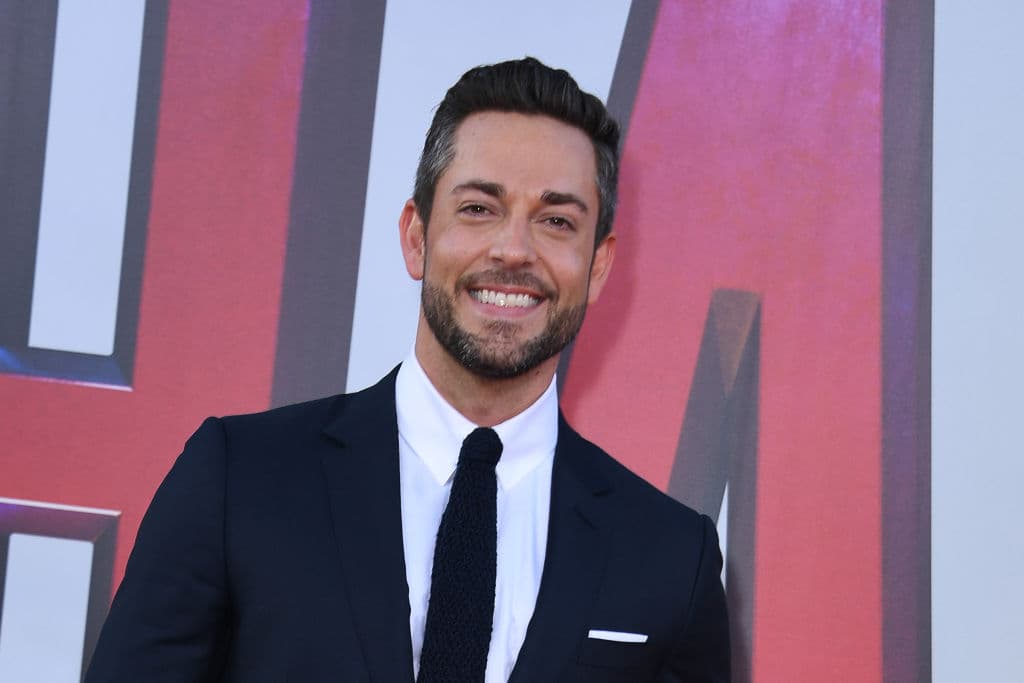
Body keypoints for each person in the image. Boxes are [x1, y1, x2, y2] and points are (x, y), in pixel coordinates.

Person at [85, 57, 729, 682]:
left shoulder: (672, 557)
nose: (513, 249)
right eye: (479, 208)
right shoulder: (239, 479)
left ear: (598, 266)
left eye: (556, 220)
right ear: (416, 237)